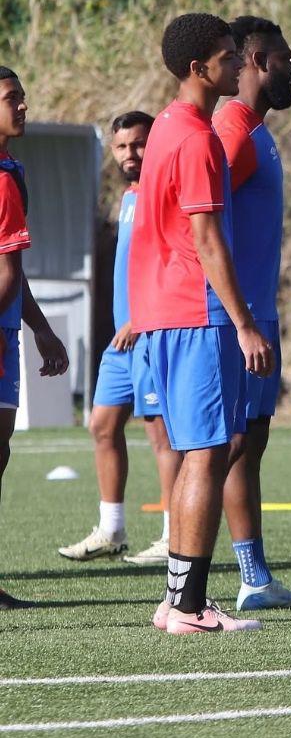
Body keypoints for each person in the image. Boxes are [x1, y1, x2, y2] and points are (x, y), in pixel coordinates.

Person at [130, 13, 275, 635]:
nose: (237, 65)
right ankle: (189, 606)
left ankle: (177, 602)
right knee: (206, 453)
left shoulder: (167, 124)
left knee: (201, 451)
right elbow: (207, 237)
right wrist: (243, 323)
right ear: (198, 68)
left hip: (166, 310)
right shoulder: (195, 137)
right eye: (225, 57)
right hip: (197, 311)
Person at [212, 15, 291, 610]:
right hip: (234, 317)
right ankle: (187, 576)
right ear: (254, 62)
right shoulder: (233, 129)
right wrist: (239, 317)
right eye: (283, 57)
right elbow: (200, 223)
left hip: (255, 313)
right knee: (221, 446)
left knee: (248, 442)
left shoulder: (257, 130)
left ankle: (253, 577)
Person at [58, 112, 181, 565]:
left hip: (150, 333)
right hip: (121, 341)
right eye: (122, 147)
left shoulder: (164, 192)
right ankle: (112, 529)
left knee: (160, 436)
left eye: (140, 144)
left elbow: (175, 262)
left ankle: (174, 536)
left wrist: (141, 317)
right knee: (102, 425)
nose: (131, 154)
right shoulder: (129, 196)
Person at [0, 67, 71, 609]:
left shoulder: (12, 171)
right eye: (10, 98)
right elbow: (6, 276)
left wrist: (42, 328)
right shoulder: (4, 180)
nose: (21, 105)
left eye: (23, 95)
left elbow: (10, 274)